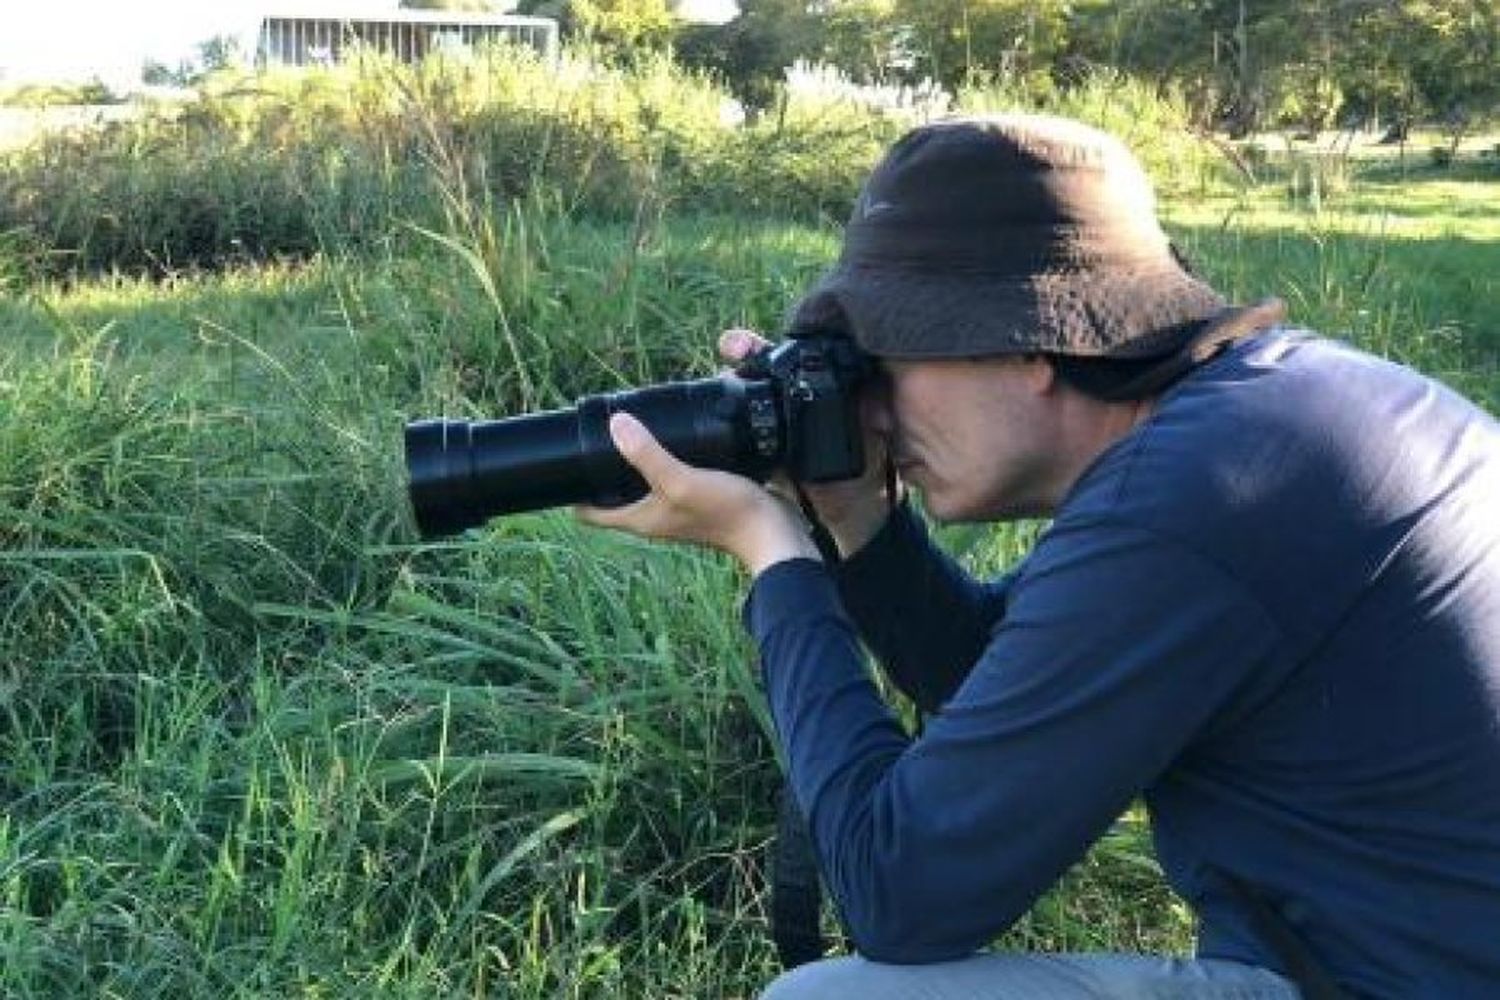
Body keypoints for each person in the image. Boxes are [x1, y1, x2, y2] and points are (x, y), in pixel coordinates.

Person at [577, 114, 1500, 998]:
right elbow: (996, 678)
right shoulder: (1261, 423)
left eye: (885, 362)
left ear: (1032, 338)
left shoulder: (1190, 499)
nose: (875, 414)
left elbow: (901, 897)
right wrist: (860, 522)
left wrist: (773, 552)